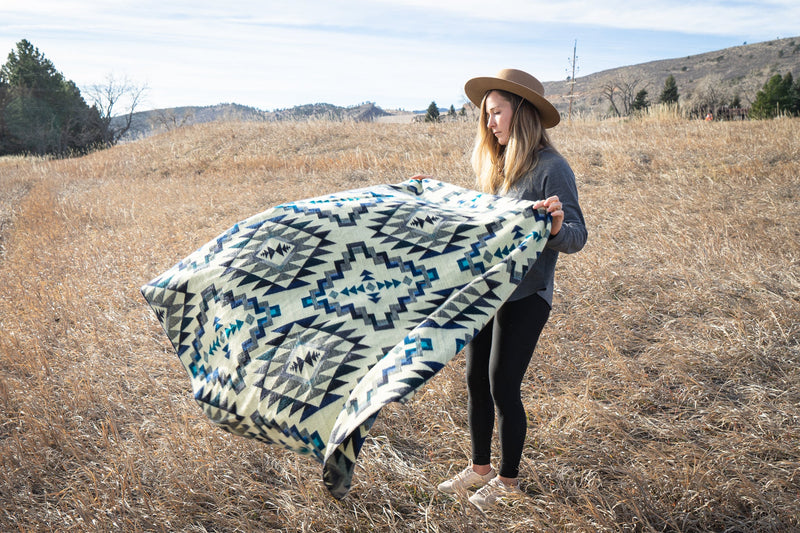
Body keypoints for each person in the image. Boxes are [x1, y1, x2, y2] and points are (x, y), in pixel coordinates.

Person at [436, 68, 587, 512]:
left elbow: (577, 235)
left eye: (496, 112)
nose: (489, 123)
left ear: (520, 112)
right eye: (485, 115)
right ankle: (480, 467)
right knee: (474, 380)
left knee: (503, 384)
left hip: (528, 296)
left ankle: (507, 482)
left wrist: (556, 227)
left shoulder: (552, 168)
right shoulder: (498, 166)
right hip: (487, 292)